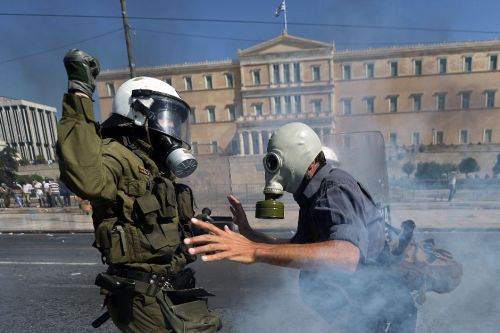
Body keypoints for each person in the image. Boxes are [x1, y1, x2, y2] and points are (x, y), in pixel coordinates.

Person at [185, 122, 417, 333]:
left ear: (295, 158)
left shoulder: (334, 188)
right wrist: (251, 236)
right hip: (360, 311)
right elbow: (299, 248)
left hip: (382, 315)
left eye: (274, 162)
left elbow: (346, 256)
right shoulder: (312, 195)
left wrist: (254, 251)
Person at [56, 49, 220, 332]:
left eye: (175, 121)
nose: (172, 128)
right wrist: (80, 94)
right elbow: (85, 177)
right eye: (167, 119)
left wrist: (196, 232)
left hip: (169, 288)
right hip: (141, 294)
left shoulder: (155, 165)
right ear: (140, 113)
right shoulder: (116, 155)